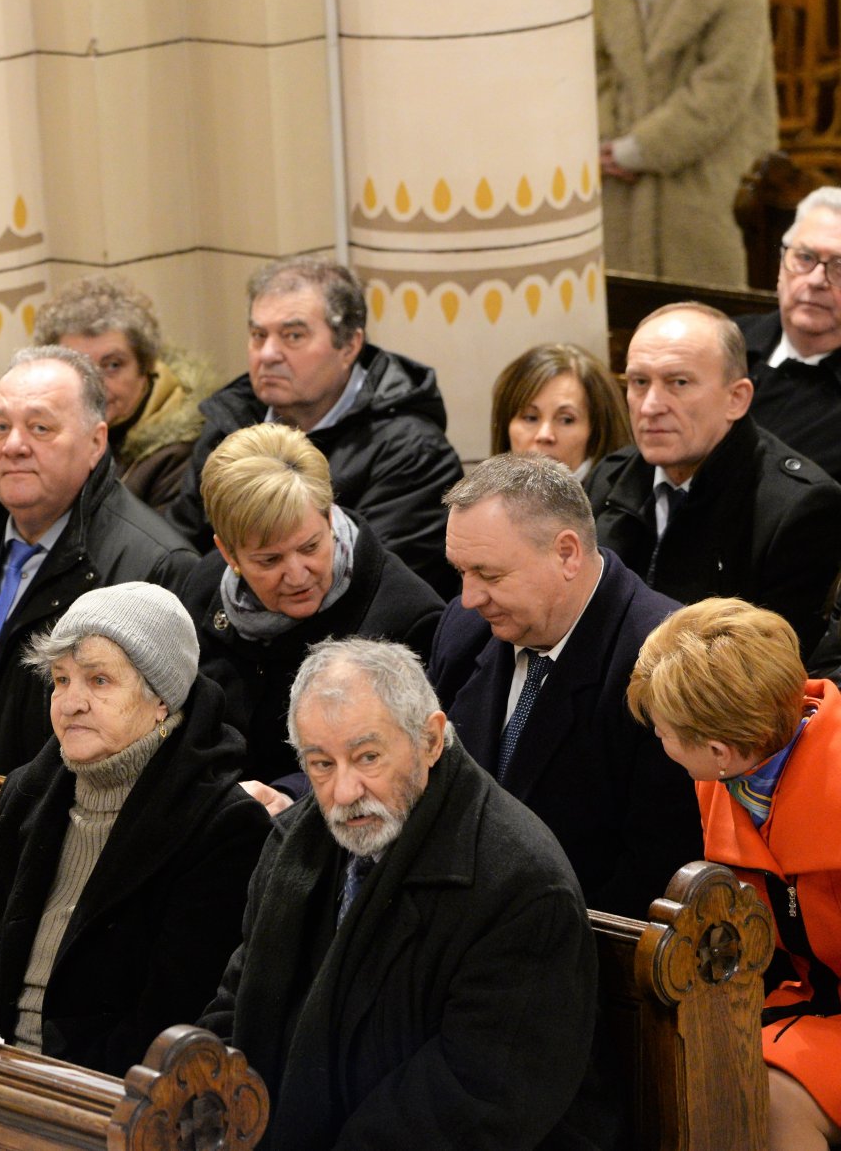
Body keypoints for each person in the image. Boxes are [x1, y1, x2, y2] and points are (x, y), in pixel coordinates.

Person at [201, 638, 598, 1149]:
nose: (344, 793)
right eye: (321, 765)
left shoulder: (520, 887)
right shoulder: (293, 842)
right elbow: (237, 1004)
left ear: (431, 740)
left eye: (367, 757)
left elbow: (474, 1105)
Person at [0, 583, 268, 1074]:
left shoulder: (220, 825)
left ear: (162, 698)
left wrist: (43, 1077)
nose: (71, 702)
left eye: (99, 681)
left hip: (105, 1098)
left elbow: (171, 1022)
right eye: (61, 680)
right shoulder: (30, 793)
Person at [429, 453, 701, 917]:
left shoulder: (665, 664)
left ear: (567, 553)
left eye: (489, 574)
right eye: (461, 572)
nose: (470, 597)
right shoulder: (465, 627)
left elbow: (653, 872)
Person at [0, 347, 209, 773]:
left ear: (96, 443)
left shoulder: (156, 566)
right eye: (0, 427)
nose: (14, 445)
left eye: (40, 428)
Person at [629, 598, 841, 1151]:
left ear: (719, 749)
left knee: (762, 1098)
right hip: (808, 998)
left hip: (827, 1012)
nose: (657, 738)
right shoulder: (731, 778)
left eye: (663, 730)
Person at [167, 255, 462, 597]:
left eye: (293, 336)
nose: (267, 354)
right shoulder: (229, 424)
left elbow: (370, 588)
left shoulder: (412, 450)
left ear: (349, 345)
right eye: (258, 335)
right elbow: (181, 552)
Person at [194, 424, 441, 795]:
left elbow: (409, 766)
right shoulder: (203, 586)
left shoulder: (406, 619)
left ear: (329, 517)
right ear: (229, 554)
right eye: (270, 559)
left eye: (310, 547)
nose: (297, 575)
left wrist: (292, 798)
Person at [588, 301, 841, 657]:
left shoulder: (797, 508)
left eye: (678, 382)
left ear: (737, 398)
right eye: (639, 382)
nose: (650, 406)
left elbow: (774, 676)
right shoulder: (609, 479)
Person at [594, 0, 774, 286]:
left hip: (705, 170)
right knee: (629, 320)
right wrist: (610, 140)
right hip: (622, 173)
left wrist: (644, 147)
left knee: (705, 320)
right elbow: (597, 62)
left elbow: (724, 85)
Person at [32, 275, 212, 515]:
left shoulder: (179, 456)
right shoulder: (24, 433)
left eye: (113, 365)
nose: (93, 384)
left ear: (146, 368)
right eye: (77, 366)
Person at [740, 187, 841, 480]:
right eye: (805, 257)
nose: (816, 280)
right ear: (781, 267)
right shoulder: (724, 343)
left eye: (840, 267)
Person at [489, 342, 632, 479]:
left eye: (566, 420)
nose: (544, 435)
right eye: (530, 418)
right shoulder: (482, 501)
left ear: (597, 434)